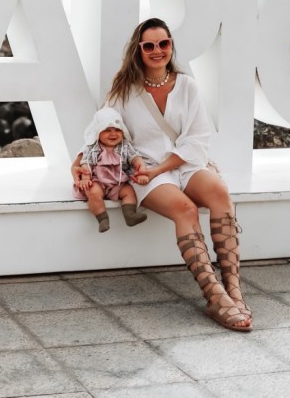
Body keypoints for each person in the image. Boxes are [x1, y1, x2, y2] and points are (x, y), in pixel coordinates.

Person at [106, 17, 252, 332]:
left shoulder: (187, 85)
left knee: (220, 193)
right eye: (149, 46)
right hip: (146, 171)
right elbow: (112, 135)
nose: (157, 50)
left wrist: (163, 167)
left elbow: (198, 137)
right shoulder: (123, 92)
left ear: (171, 45)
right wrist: (141, 166)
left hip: (184, 163)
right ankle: (215, 297)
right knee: (186, 210)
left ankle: (234, 289)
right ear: (138, 50)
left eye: (164, 43)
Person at [70, 106, 150, 233]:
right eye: (107, 130)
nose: (113, 134)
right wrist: (85, 178)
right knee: (93, 193)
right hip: (97, 181)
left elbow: (136, 158)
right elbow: (86, 164)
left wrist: (141, 171)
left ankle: (130, 215)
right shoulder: (93, 147)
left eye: (117, 130)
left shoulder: (125, 146)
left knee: (129, 191)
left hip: (118, 182)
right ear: (98, 132)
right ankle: (102, 218)